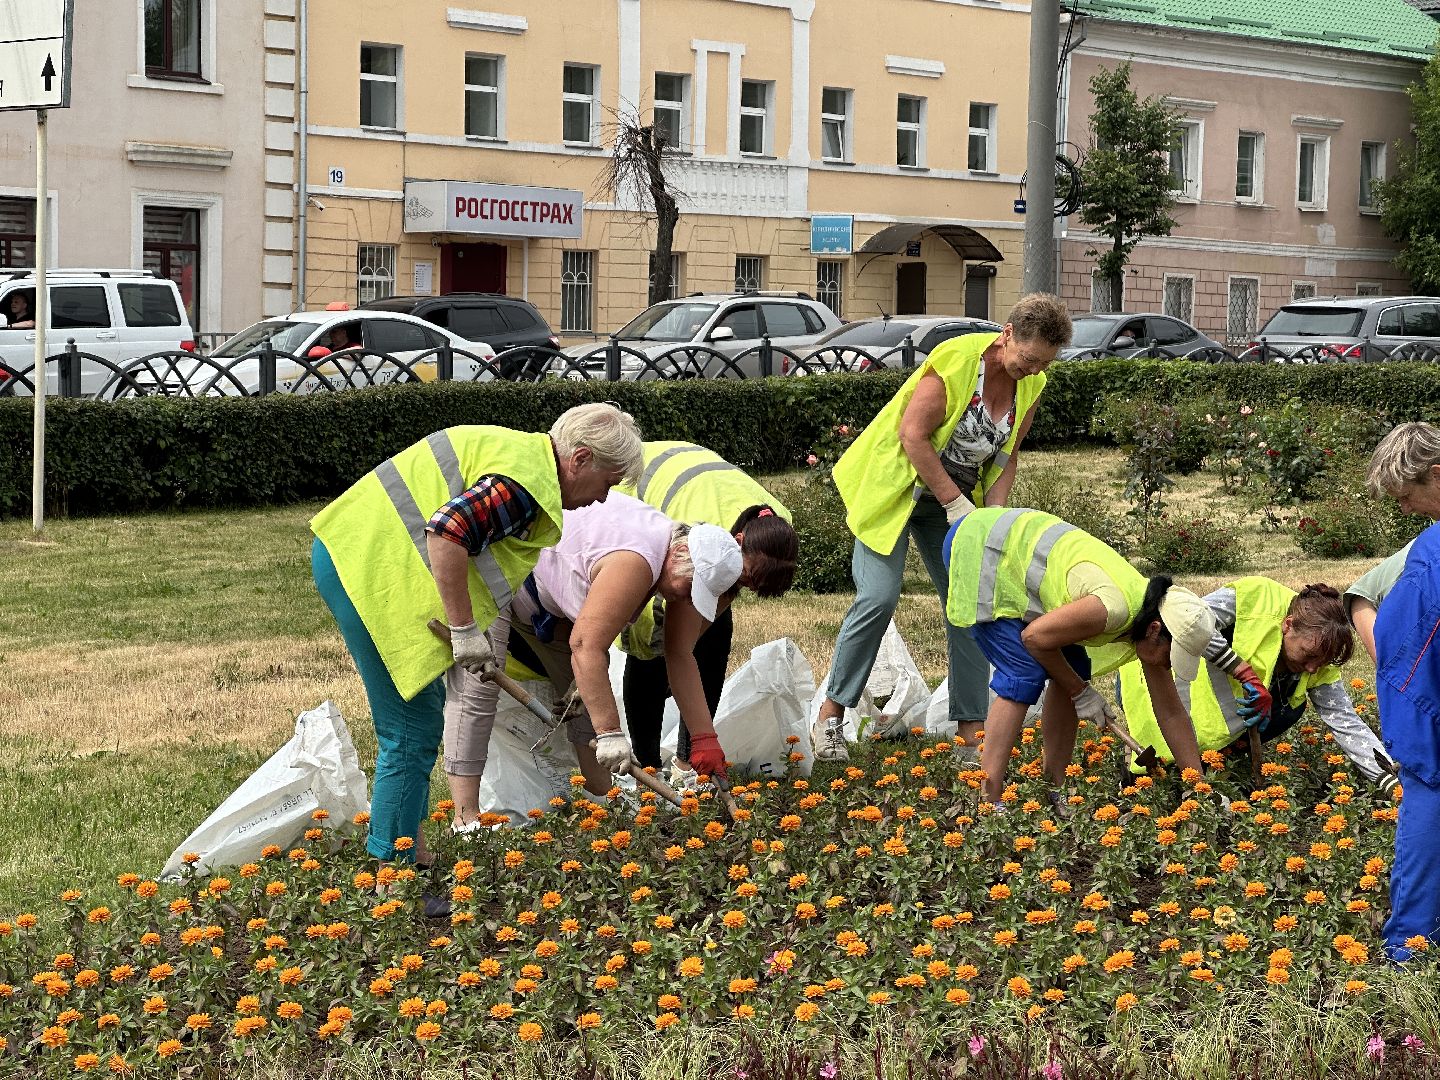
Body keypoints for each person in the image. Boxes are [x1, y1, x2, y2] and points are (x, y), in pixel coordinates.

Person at [309, 403, 643, 865]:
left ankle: (412, 851)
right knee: (409, 730)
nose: (604, 498)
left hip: (365, 557)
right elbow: (447, 532)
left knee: (416, 722)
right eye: (607, 482)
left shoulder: (526, 462)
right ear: (581, 459)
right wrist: (465, 631)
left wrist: (476, 631)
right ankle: (393, 871)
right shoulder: (524, 483)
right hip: (361, 565)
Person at [811, 293, 1073, 763]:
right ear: (1007, 335)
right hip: (896, 490)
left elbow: (1007, 453)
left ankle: (970, 732)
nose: (1033, 371)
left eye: (1043, 364)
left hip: (954, 500)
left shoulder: (1032, 383)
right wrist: (954, 504)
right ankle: (831, 716)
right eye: (1029, 360)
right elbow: (911, 435)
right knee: (878, 596)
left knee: (970, 603)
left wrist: (991, 519)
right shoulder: (955, 361)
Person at [449, 490, 743, 803]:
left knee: (588, 702)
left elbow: (680, 655)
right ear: (682, 554)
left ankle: (604, 801)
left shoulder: (679, 563)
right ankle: (465, 817)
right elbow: (586, 646)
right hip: (503, 570)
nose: (688, 601)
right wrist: (611, 734)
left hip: (556, 601)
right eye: (691, 590)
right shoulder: (639, 560)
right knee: (478, 691)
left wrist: (703, 737)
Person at [944, 507, 1215, 806]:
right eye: (1171, 656)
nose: (1168, 665)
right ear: (1154, 630)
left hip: (1017, 553)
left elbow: (1171, 711)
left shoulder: (1153, 614)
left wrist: (1199, 788)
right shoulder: (1112, 609)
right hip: (983, 546)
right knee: (1023, 672)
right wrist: (1080, 692)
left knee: (1073, 667)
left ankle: (1053, 789)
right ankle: (988, 801)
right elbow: (1034, 638)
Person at [1116, 578, 1398, 794]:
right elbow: (1187, 624)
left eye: (1321, 662)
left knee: (1288, 709)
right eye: (1309, 655)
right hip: (1155, 677)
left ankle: (1216, 762)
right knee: (1156, 778)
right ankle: (1181, 768)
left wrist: (1387, 778)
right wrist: (1243, 672)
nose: (1313, 668)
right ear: (1288, 625)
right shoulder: (1255, 598)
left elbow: (1345, 721)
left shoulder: (1321, 655)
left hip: (1210, 719)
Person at [617, 441, 799, 774]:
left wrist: (702, 742)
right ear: (739, 542)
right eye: (745, 579)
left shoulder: (777, 534)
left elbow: (713, 613)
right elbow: (675, 649)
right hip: (633, 482)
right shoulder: (695, 536)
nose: (744, 589)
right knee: (650, 647)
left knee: (714, 637)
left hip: (694, 477)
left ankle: (687, 763)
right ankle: (647, 770)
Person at [1367, 422, 1440, 959]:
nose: (1407, 509)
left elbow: (1405, 656)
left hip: (1426, 720)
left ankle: (1410, 948)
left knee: (1426, 799)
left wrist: (1412, 739)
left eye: (1407, 496)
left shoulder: (1431, 558)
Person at [1347, 422, 1440, 663]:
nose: (1405, 510)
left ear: (1437, 476)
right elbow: (1362, 597)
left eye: (1406, 497)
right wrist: (1396, 672)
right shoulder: (1431, 543)